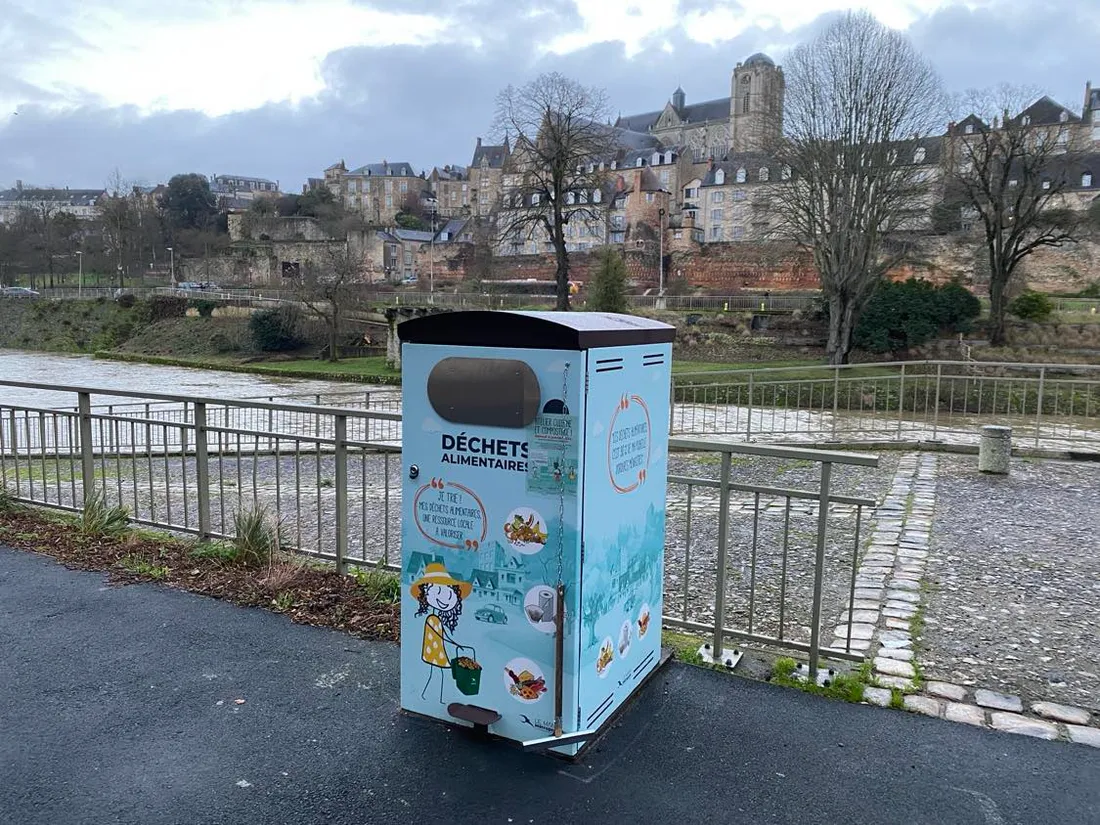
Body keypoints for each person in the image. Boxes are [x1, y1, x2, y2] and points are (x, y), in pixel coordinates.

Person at [410, 562, 471, 702]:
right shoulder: (432, 619)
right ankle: (439, 698)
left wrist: (453, 642)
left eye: (450, 593)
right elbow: (438, 635)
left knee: (435, 673)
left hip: (436, 650)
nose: (445, 598)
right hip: (434, 650)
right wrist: (453, 643)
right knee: (439, 673)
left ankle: (426, 694)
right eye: (437, 591)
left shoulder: (436, 618)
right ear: (426, 590)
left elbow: (443, 633)